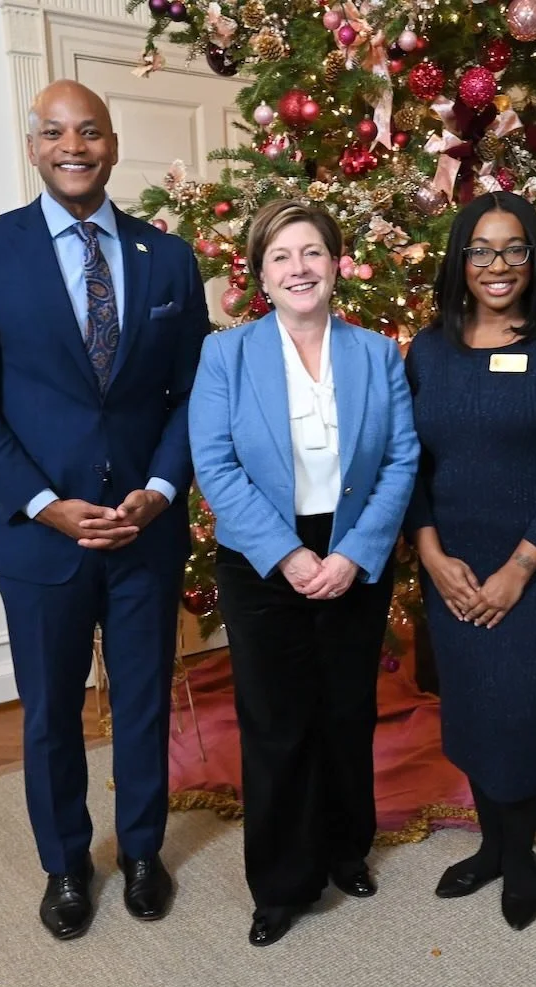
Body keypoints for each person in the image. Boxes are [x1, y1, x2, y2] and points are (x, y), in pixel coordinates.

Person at [0, 80, 208, 940]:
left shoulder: (168, 257)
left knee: (144, 700)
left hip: (143, 530)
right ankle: (65, 865)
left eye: (89, 131)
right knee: (51, 710)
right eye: (54, 132)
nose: (73, 146)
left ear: (112, 145)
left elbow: (193, 394)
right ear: (34, 148)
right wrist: (46, 504)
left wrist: (161, 490)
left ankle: (142, 852)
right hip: (38, 536)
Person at [188, 199, 418, 947]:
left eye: (312, 252)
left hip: (354, 550)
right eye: (281, 256)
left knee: (347, 712)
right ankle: (282, 883)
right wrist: (287, 554)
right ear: (260, 273)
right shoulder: (225, 355)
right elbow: (215, 465)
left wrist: (353, 553)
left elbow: (402, 458)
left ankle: (346, 851)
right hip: (262, 557)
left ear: (336, 264)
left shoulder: (377, 353)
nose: (299, 268)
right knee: (276, 721)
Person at [404, 192, 536, 931]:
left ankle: (520, 859)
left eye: (514, 248)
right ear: (461, 259)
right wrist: (430, 552)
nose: (499, 265)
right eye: (482, 250)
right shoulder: (428, 350)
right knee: (469, 712)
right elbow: (406, 462)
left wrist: (520, 568)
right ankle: (492, 846)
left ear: (535, 256)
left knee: (519, 715)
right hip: (452, 568)